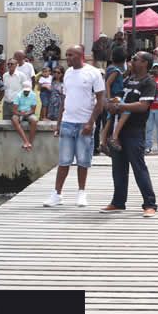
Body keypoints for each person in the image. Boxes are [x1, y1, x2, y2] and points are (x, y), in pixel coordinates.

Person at [102, 51, 158, 217]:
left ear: (145, 64)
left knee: (138, 167)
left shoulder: (149, 82)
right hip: (118, 128)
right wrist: (112, 103)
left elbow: (143, 106)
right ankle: (118, 202)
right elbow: (119, 97)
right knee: (118, 168)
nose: (132, 61)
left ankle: (150, 204)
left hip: (135, 130)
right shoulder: (128, 79)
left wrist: (121, 107)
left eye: (135, 59)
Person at [46, 45, 104, 207]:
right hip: (67, 122)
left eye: (70, 55)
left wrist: (91, 122)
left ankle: (81, 192)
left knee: (83, 160)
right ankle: (57, 194)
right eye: (67, 55)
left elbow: (100, 101)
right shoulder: (68, 74)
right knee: (64, 160)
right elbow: (65, 99)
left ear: (80, 56)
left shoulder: (94, 73)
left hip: (84, 123)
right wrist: (58, 123)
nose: (67, 58)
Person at [10, 80, 40, 150]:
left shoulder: (33, 95)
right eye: (25, 91)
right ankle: (25, 141)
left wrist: (27, 113)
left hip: (29, 113)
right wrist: (20, 114)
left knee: (35, 120)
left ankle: (30, 142)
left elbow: (33, 109)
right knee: (14, 119)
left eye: (27, 91)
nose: (26, 92)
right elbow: (14, 110)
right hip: (19, 112)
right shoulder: (18, 95)